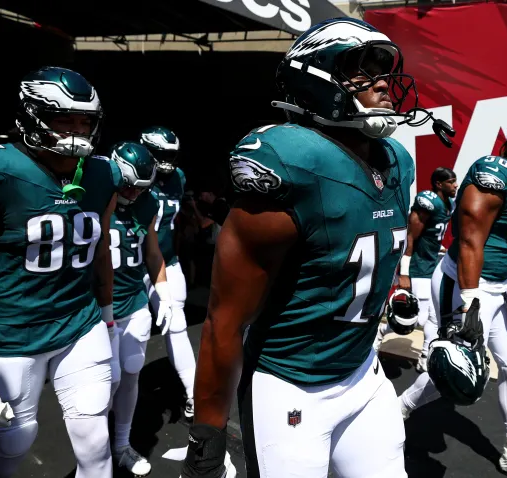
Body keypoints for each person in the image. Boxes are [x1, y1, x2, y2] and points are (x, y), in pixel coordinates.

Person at [182, 17, 452, 478]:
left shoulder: (397, 162)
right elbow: (225, 317)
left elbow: (364, 254)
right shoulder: (293, 164)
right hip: (293, 384)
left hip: (364, 372)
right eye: (364, 70)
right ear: (316, 80)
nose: (385, 84)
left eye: (385, 70)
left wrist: (397, 292)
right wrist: (206, 437)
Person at [0, 66, 121, 478]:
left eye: (86, 121)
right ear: (32, 117)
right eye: (65, 119)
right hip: (16, 334)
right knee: (10, 450)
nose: (78, 131)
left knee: (96, 444)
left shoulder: (103, 175)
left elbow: (99, 250)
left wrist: (108, 318)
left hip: (81, 325)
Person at [403, 117, 507, 478]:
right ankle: (400, 410)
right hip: (467, 284)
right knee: (454, 367)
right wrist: (472, 301)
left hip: (502, 285)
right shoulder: (494, 172)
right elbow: (470, 238)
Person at [103, 141, 174, 476]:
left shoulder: (147, 203)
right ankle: (95, 445)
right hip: (97, 306)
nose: (133, 194)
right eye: (128, 186)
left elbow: (153, 252)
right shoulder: (94, 193)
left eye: (140, 188)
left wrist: (162, 290)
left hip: (132, 300)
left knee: (131, 371)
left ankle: (120, 444)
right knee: (106, 380)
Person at [139, 126, 198, 419]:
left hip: (165, 260)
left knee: (176, 322)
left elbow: (171, 224)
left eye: (171, 155)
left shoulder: (179, 178)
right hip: (129, 264)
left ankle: (193, 393)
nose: (167, 161)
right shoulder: (126, 174)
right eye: (162, 154)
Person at [374, 167, 457, 371]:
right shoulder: (428, 202)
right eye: (451, 182)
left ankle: (425, 357)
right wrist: (404, 272)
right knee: (419, 318)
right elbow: (410, 236)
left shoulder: (449, 204)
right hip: (418, 266)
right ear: (439, 184)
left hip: (432, 264)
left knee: (433, 317)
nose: (455, 185)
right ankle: (381, 332)